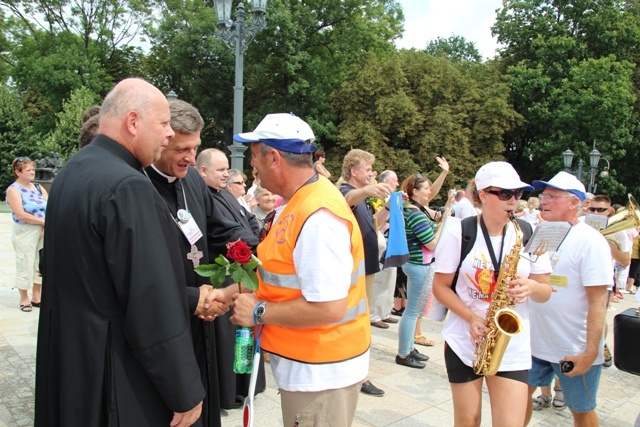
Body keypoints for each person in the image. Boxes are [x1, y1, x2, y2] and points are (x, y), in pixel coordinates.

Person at [34, 78, 224, 426]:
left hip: (73, 362)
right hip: (115, 373)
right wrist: (184, 388)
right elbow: (150, 300)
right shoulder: (129, 186)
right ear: (133, 122)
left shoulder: (73, 171)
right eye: (164, 123)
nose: (169, 134)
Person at [229, 113, 370, 425]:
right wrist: (228, 293)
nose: (252, 166)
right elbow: (278, 274)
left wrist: (258, 313)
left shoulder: (317, 215)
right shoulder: (301, 201)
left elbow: (329, 308)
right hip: (313, 366)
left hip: (321, 372)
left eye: (254, 156)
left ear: (274, 158)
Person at [146, 99, 259, 424]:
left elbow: (219, 228)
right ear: (161, 140)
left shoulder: (192, 180)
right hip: (165, 311)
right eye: (182, 149)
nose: (190, 158)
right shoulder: (137, 184)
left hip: (202, 310)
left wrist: (257, 250)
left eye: (194, 148)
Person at [432, 161, 552, 426]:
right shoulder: (460, 231)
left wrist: (531, 287)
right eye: (505, 194)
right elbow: (439, 287)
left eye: (518, 194)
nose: (514, 201)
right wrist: (470, 318)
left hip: (512, 346)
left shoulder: (528, 233)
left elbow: (545, 291)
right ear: (483, 195)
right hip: (465, 341)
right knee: (468, 421)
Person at [525, 172, 612, 426]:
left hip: (571, 347)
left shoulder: (591, 241)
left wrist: (590, 352)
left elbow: (599, 302)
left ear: (574, 202)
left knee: (581, 410)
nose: (544, 201)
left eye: (552, 196)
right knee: (517, 400)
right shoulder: (543, 232)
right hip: (533, 343)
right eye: (544, 195)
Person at [195, 147, 267, 409]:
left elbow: (247, 220)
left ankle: (246, 387)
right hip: (225, 276)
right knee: (231, 338)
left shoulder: (224, 194)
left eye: (228, 169)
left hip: (242, 271)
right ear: (203, 171)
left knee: (244, 333)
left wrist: (260, 239)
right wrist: (260, 247)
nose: (227, 174)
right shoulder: (206, 197)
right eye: (221, 170)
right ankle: (231, 392)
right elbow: (225, 230)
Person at [340, 148, 392, 396]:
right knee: (358, 323)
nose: (372, 173)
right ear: (354, 171)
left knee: (361, 321)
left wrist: (389, 208)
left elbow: (375, 225)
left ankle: (357, 372)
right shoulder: (344, 190)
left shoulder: (362, 197)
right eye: (368, 169)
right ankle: (359, 375)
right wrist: (368, 191)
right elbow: (347, 200)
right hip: (356, 268)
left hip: (367, 265)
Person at [395, 174, 454, 368]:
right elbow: (432, 243)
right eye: (426, 189)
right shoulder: (415, 214)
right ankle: (403, 354)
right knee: (412, 312)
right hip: (419, 265)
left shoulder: (411, 210)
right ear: (415, 192)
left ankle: (409, 347)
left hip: (416, 264)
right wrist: (444, 222)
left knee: (414, 310)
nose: (429, 192)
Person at [6, 157, 47, 312]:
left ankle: (37, 297)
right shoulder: (13, 190)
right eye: (28, 170)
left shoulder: (38, 187)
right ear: (18, 172)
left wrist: (46, 226)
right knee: (25, 262)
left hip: (43, 231)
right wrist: (43, 222)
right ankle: (24, 298)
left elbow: (49, 206)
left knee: (40, 263)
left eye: (33, 170)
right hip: (25, 230)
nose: (32, 173)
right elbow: (21, 214)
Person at [370, 170, 400, 327]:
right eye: (394, 181)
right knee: (380, 279)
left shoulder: (393, 198)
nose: (397, 184)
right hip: (381, 240)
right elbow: (377, 219)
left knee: (390, 278)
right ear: (387, 181)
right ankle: (374, 314)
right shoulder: (378, 196)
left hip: (392, 241)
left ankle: (385, 311)